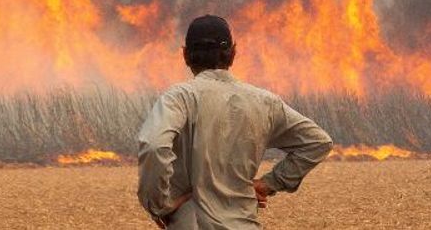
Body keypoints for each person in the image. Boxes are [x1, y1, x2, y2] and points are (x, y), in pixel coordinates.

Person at [137, 15, 333, 229]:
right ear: (233, 53)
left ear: (185, 55)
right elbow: (318, 142)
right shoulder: (265, 102)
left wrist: (159, 205)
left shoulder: (178, 98)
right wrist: (268, 184)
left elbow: (154, 146)